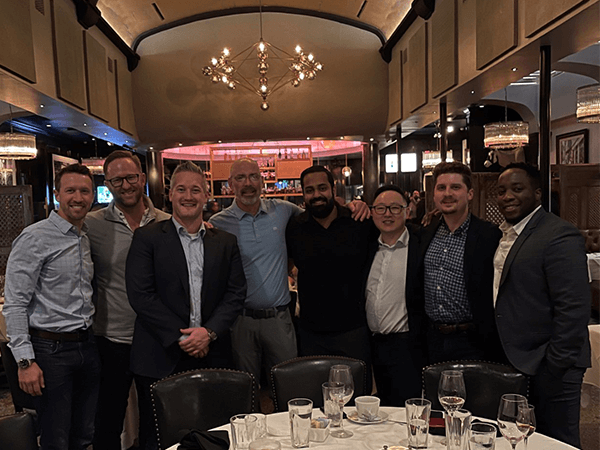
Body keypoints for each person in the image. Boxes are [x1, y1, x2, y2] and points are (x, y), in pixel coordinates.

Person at [126, 161, 246, 450]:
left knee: (213, 434)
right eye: (181, 189)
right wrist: (185, 338)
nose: (188, 196)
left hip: (213, 353)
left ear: (206, 195)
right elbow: (141, 295)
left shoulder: (225, 241)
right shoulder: (147, 238)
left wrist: (209, 333)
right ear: (170, 194)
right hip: (160, 355)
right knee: (158, 438)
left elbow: (236, 293)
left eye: (195, 190)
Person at [3, 163, 101, 450]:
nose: (78, 198)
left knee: (85, 435)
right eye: (70, 190)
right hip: (50, 352)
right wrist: (25, 362)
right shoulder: (35, 237)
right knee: (55, 439)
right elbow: (15, 303)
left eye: (85, 191)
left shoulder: (84, 236)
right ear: (57, 194)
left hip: (87, 346)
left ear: (93, 196)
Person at [494, 163, 590, 448]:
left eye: (517, 189)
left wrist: (555, 363)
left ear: (537, 193)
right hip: (518, 358)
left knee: (557, 442)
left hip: (552, 363)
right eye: (501, 191)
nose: (508, 196)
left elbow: (573, 308)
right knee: (524, 439)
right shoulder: (505, 234)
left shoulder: (559, 234)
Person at [86, 150, 170, 450]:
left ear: (142, 177)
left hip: (156, 338)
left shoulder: (167, 222)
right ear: (107, 184)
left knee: (155, 423)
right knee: (106, 422)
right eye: (116, 180)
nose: (125, 185)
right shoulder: (91, 224)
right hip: (111, 339)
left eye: (131, 177)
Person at [208, 158, 302, 385]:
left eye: (253, 177)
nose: (248, 183)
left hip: (278, 318)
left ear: (262, 181)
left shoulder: (284, 210)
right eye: (240, 178)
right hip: (240, 321)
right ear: (230, 183)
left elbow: (317, 217)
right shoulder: (217, 223)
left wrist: (350, 207)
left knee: (289, 384)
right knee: (246, 388)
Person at [286, 166, 376, 368]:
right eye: (309, 190)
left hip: (354, 329)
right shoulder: (295, 228)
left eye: (322, 188)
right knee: (315, 387)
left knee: (355, 386)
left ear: (333, 190)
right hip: (310, 333)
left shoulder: (358, 221)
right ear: (303, 194)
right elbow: (286, 264)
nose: (316, 195)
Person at [419, 162, 503, 364]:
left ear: (470, 194)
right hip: (431, 338)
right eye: (441, 188)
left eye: (455, 187)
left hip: (472, 340)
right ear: (434, 195)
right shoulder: (425, 233)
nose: (447, 194)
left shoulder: (489, 235)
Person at [365, 185, 425, 406]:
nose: (387, 214)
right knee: (379, 409)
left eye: (395, 208)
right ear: (372, 212)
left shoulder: (421, 244)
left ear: (407, 211)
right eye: (381, 208)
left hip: (407, 346)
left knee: (407, 408)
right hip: (373, 346)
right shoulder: (367, 247)